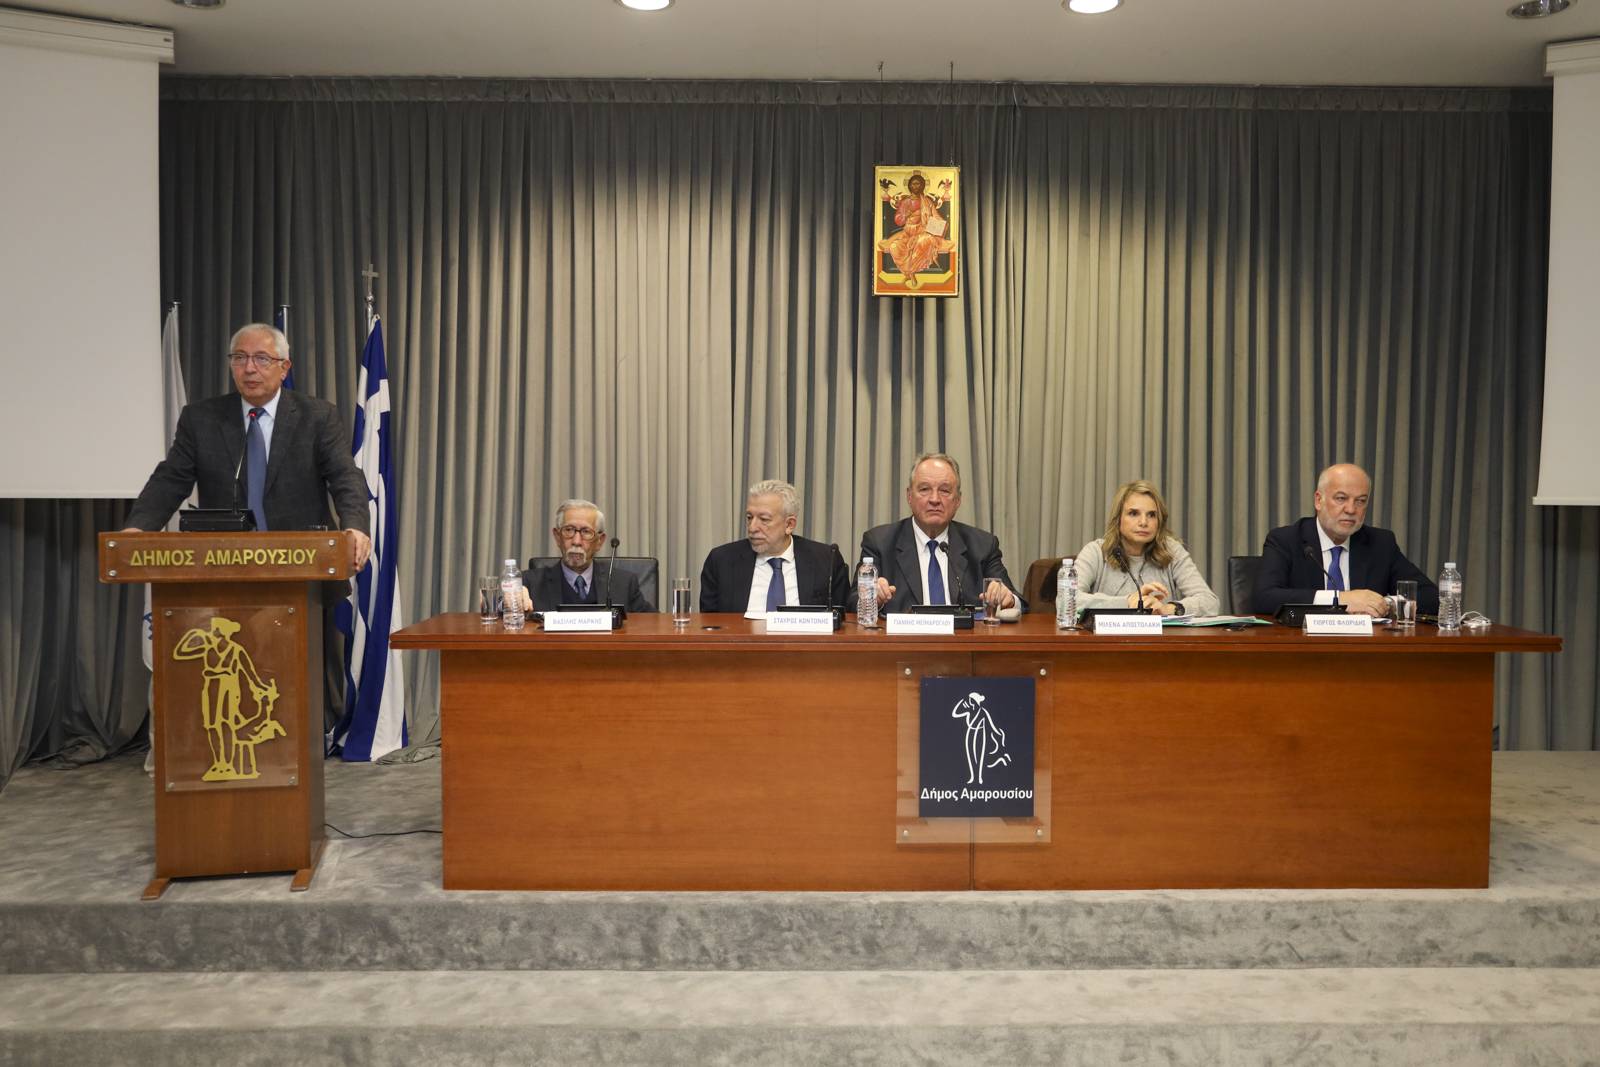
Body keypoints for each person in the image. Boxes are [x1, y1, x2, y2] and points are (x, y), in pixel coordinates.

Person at [123, 323, 370, 733]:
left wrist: (355, 527)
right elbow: (170, 479)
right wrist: (137, 529)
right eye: (239, 358)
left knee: (298, 683)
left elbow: (345, 477)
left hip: (301, 576)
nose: (249, 368)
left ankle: (302, 749)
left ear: (284, 367)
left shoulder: (317, 416)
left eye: (261, 359)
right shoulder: (202, 419)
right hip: (223, 576)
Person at [1253, 462, 1440, 618]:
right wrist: (1340, 599)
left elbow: (1431, 597)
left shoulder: (1380, 543)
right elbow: (1264, 598)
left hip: (1365, 647)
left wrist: (1384, 604)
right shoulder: (1286, 540)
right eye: (1341, 498)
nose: (1351, 509)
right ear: (1318, 500)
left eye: (1360, 501)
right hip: (1305, 645)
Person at [858, 453, 1025, 619]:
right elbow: (853, 601)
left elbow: (1018, 602)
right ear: (909, 496)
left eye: (944, 491)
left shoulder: (983, 545)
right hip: (904, 636)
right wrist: (872, 598)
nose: (934, 499)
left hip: (964, 636)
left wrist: (1008, 599)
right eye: (924, 489)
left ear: (958, 500)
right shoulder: (880, 542)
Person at [698, 479, 851, 615]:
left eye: (764, 519)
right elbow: (709, 624)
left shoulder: (826, 560)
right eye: (750, 517)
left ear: (789, 524)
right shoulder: (721, 561)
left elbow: (842, 620)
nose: (752, 527)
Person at [1070, 480, 1219, 617]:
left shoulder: (1172, 551)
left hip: (1162, 637)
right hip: (1109, 637)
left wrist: (1169, 609)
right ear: (1118, 518)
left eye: (1151, 515)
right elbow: (1068, 600)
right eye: (1133, 513)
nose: (1143, 522)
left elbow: (1210, 602)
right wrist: (1128, 602)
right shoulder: (1096, 552)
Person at [523, 499, 654, 613]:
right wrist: (512, 601)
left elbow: (654, 623)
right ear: (557, 537)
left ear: (600, 541)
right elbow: (510, 614)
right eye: (569, 530)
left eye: (586, 532)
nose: (576, 541)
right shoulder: (530, 584)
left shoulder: (624, 584)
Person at [876, 172, 955, 289]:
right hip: (907, 233)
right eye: (913, 184)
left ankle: (911, 272)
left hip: (923, 232)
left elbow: (936, 216)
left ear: (922, 185)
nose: (915, 186)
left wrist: (941, 225)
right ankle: (908, 272)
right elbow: (898, 220)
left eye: (918, 184)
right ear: (909, 186)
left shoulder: (927, 202)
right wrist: (905, 215)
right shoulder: (905, 202)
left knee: (922, 242)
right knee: (894, 246)